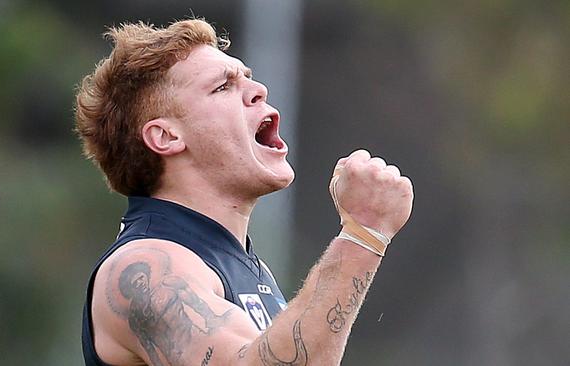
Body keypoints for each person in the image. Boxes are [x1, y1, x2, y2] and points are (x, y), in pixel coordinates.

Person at [75, 18, 413, 366]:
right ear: (166, 137)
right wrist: (363, 232)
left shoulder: (244, 266)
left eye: (248, 78)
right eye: (223, 86)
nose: (259, 90)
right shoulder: (145, 266)